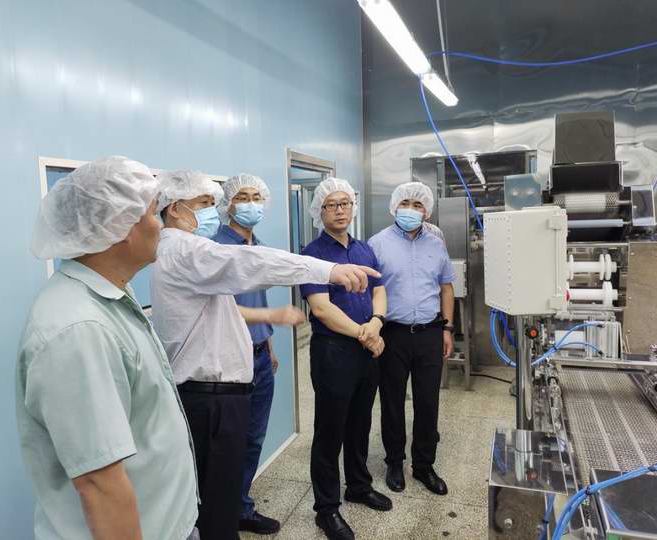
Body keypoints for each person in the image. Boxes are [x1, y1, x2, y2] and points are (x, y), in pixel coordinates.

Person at [150, 170, 380, 540]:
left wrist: (268, 332)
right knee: (214, 498)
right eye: (205, 203)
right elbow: (251, 264)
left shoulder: (191, 249)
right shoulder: (187, 250)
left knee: (222, 488)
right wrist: (330, 270)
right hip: (207, 392)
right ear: (175, 209)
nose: (212, 211)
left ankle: (233, 518)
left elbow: (225, 307)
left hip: (221, 386)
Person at [16, 156, 200, 540]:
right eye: (153, 212)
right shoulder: (78, 330)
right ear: (121, 227)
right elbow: (100, 485)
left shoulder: (111, 296)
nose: (161, 224)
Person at [300, 178, 391, 540]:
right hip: (333, 352)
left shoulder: (364, 249)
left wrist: (377, 323)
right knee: (330, 429)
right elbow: (321, 309)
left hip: (366, 349)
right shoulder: (312, 254)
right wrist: (364, 334)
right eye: (331, 205)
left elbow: (380, 291)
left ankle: (358, 485)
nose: (340, 210)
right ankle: (326, 509)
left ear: (353, 207)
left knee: (360, 422)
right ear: (319, 211)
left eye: (345, 203)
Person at [212, 173, 303, 535]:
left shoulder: (258, 246)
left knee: (253, 439)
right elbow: (218, 309)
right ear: (228, 205)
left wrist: (268, 344)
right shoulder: (216, 248)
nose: (251, 203)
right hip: (230, 359)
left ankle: (240, 507)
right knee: (229, 444)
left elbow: (257, 299)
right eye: (243, 197)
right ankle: (221, 517)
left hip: (261, 356)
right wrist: (274, 318)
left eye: (256, 197)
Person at [367, 181, 455, 497]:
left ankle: (424, 465)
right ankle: (394, 462)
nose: (410, 210)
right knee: (392, 401)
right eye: (405, 203)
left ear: (426, 211)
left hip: (430, 333)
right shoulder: (376, 244)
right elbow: (369, 291)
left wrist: (447, 329)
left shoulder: (436, 245)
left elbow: (446, 288)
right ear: (394, 207)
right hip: (392, 333)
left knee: (428, 401)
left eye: (417, 205)